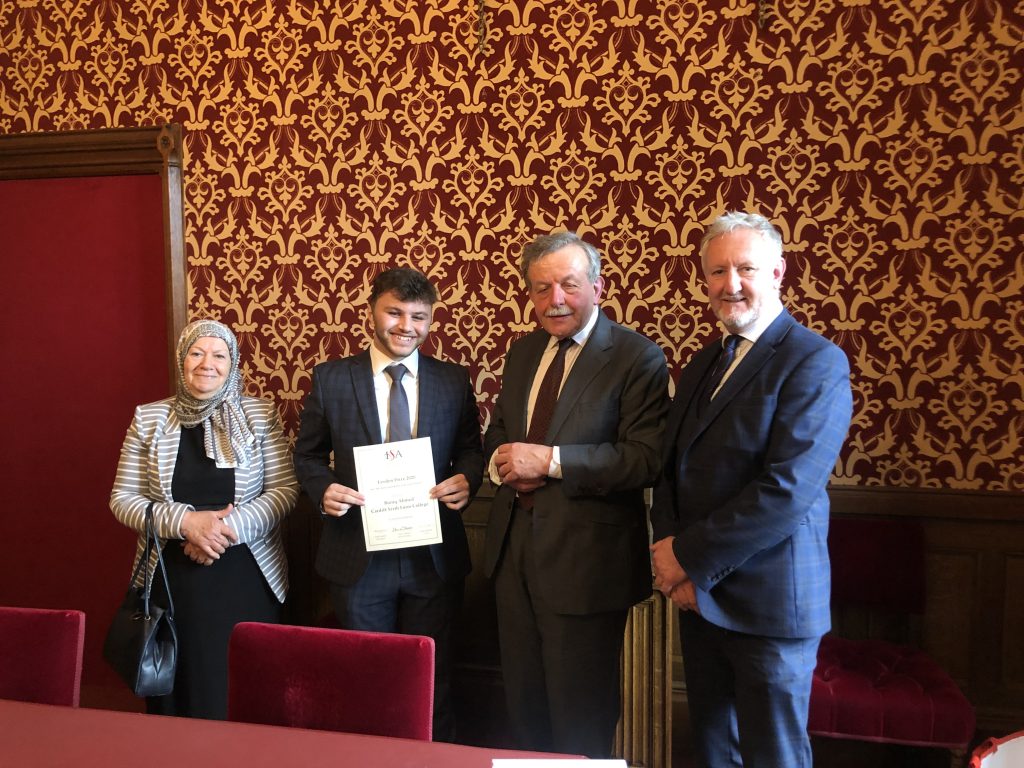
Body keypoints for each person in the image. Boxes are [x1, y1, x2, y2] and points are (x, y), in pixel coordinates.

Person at [649, 211, 853, 768]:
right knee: (713, 752)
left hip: (770, 607)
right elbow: (670, 470)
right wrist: (674, 564)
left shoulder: (815, 360)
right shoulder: (702, 364)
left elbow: (786, 491)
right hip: (699, 598)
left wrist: (686, 556)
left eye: (745, 268)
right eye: (717, 272)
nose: (730, 284)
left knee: (775, 758)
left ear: (778, 271)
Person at [483, 231, 670, 758]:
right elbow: (499, 433)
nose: (555, 299)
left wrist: (551, 461)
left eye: (568, 284)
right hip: (511, 553)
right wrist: (503, 466)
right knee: (524, 710)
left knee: (580, 717)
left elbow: (644, 458)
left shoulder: (636, 357)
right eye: (541, 288)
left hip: (587, 564)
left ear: (597, 286)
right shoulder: (523, 353)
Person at [292, 267, 484, 742]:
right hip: (357, 556)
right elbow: (308, 455)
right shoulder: (333, 378)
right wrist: (323, 490)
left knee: (433, 680)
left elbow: (470, 450)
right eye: (394, 312)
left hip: (432, 557)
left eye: (419, 316)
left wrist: (468, 479)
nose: (406, 326)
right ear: (372, 311)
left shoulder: (452, 380)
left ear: (431, 319)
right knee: (365, 678)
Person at [110, 319, 299, 719]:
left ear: (233, 364)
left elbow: (285, 491)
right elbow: (121, 499)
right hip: (169, 578)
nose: (206, 363)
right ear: (182, 360)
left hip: (246, 573)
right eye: (196, 353)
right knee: (176, 696)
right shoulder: (150, 419)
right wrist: (187, 524)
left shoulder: (260, 415)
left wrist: (222, 531)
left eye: (219, 355)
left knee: (240, 692)